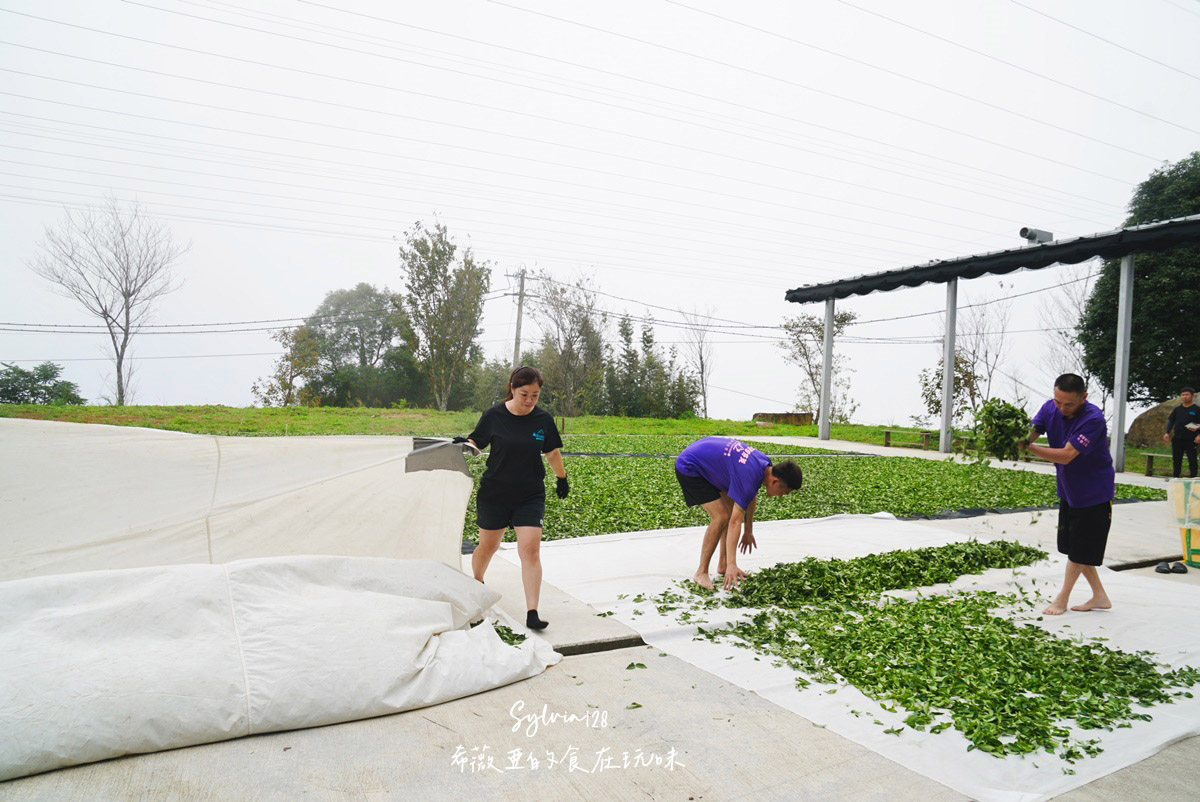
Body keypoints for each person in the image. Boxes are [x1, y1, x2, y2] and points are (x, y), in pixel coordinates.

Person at [460, 366, 567, 631]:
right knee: (488, 547)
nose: (529, 400)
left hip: (529, 493)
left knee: (529, 550)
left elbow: (552, 452)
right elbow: (476, 443)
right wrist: (464, 444)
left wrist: (562, 478)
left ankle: (532, 612)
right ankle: (477, 582)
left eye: (535, 395)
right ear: (512, 388)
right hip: (494, 493)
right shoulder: (494, 416)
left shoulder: (543, 420)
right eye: (524, 394)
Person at [1019, 373, 1115, 615]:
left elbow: (1066, 455)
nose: (1061, 408)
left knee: (1079, 549)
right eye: (1057, 401)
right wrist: (1012, 438)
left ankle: (1062, 598)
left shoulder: (1093, 419)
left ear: (1083, 397)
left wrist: (1029, 448)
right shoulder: (1049, 408)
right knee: (1075, 547)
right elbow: (1029, 433)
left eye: (1069, 404)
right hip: (1069, 489)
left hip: (1094, 492)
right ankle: (1100, 597)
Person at [675, 437, 804, 591]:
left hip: (710, 460)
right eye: (783, 492)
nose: (781, 496)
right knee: (722, 517)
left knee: (729, 511)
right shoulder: (751, 476)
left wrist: (748, 530)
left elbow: (750, 496)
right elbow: (735, 522)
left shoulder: (765, 464)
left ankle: (722, 564)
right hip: (690, 466)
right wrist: (733, 564)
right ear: (775, 482)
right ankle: (701, 572)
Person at [1162, 387, 1200, 479]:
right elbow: (1171, 421)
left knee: (1192, 459)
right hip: (1178, 438)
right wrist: (1167, 432)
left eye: (1187, 395)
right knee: (1176, 459)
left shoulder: (1197, 409)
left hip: (1192, 439)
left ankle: (1193, 478)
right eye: (1183, 395)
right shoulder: (1177, 409)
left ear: (1192, 396)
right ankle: (1176, 477)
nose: (1185, 397)